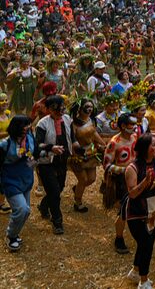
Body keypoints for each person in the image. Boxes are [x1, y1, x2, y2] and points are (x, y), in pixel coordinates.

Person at [122, 133, 155, 289]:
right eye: (152, 145)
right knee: (146, 245)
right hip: (138, 211)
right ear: (144, 148)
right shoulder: (132, 168)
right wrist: (144, 183)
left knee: (147, 242)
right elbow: (132, 194)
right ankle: (143, 281)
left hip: (154, 208)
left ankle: (135, 271)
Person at [34, 95, 73, 235]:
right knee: (55, 193)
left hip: (62, 161)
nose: (60, 112)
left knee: (59, 187)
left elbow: (71, 138)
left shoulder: (67, 119)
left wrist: (80, 150)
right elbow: (37, 145)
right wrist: (51, 148)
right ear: (49, 109)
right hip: (46, 162)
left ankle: (44, 206)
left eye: (62, 109)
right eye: (56, 110)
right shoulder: (42, 124)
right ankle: (57, 221)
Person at [103, 112, 138, 253]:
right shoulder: (114, 143)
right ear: (123, 126)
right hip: (121, 181)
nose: (134, 127)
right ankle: (119, 238)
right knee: (124, 210)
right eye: (132, 124)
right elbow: (107, 165)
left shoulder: (135, 137)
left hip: (135, 177)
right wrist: (125, 170)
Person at [1, 115, 35, 252]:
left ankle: (15, 233)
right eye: (25, 125)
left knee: (26, 212)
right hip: (10, 181)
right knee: (22, 209)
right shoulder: (5, 144)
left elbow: (35, 154)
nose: (28, 127)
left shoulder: (30, 139)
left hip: (26, 179)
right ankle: (11, 236)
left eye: (28, 125)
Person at [68, 98, 105, 213]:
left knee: (92, 179)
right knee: (83, 179)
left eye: (91, 107)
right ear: (79, 109)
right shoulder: (73, 124)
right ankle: (78, 202)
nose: (89, 109)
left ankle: (78, 188)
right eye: (86, 107)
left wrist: (103, 144)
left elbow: (94, 133)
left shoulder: (91, 120)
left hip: (91, 153)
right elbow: (73, 142)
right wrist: (80, 153)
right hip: (78, 156)